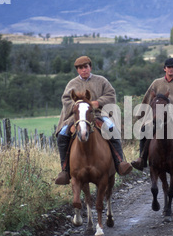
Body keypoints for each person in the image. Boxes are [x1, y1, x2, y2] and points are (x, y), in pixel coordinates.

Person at [54, 56, 132, 185]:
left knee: (112, 129)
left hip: (98, 115)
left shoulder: (101, 81)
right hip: (77, 117)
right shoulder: (72, 84)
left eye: (86, 67)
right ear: (77, 70)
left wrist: (97, 102)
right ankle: (64, 170)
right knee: (62, 135)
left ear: (90, 67)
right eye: (80, 68)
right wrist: (77, 106)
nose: (83, 70)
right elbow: (66, 101)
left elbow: (111, 95)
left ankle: (119, 162)